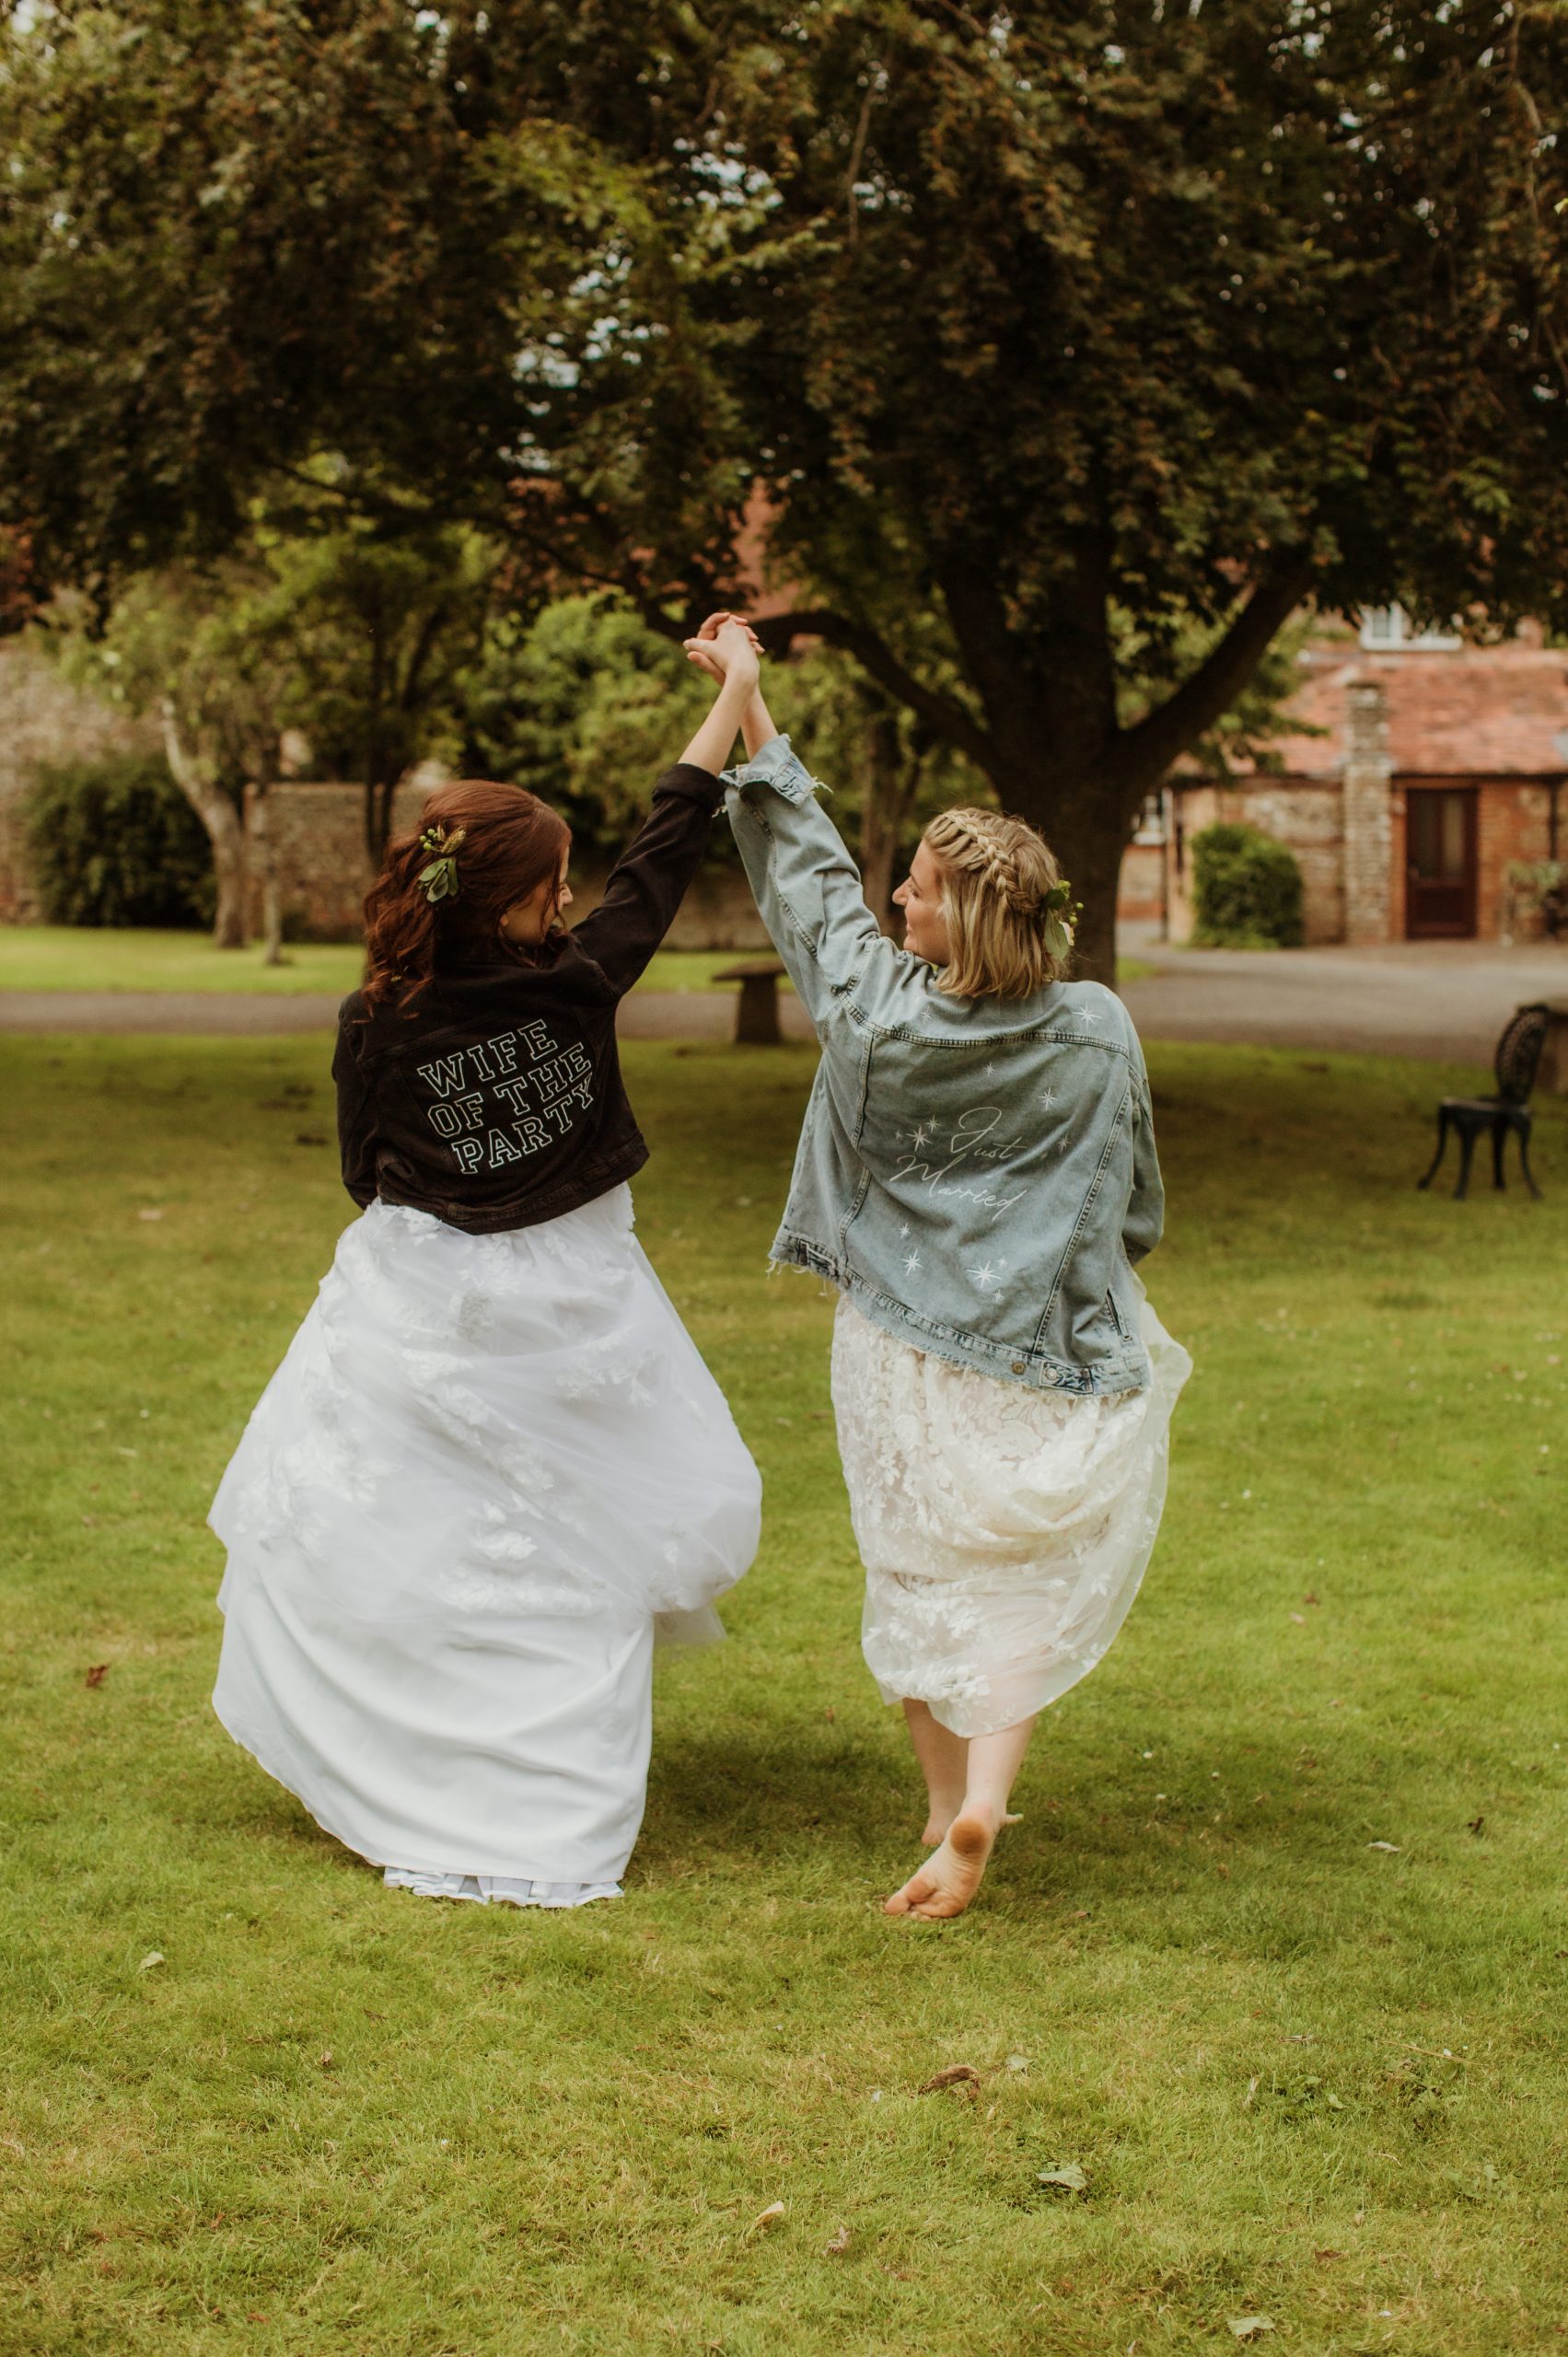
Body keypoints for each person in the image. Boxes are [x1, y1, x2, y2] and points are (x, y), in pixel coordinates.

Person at [209, 629, 765, 1910]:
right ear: (504, 893)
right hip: (568, 1285)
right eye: (551, 884)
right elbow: (665, 851)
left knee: (437, 1527)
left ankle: (435, 1758)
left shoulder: (377, 1016)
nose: (568, 902)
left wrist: (449, 1201)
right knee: (563, 1542)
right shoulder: (574, 983)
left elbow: (364, 1165)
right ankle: (523, 1785)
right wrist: (733, 696)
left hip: (426, 1281)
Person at [687, 617, 1190, 1922]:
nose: (890, 896)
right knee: (1009, 1576)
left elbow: (800, 874)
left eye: (909, 884)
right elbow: (1130, 1200)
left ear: (954, 910)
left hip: (897, 1341)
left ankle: (938, 1807)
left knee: (912, 1564)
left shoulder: (870, 1008)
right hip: (1038, 1340)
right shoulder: (1093, 1029)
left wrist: (748, 697)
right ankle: (984, 1802)